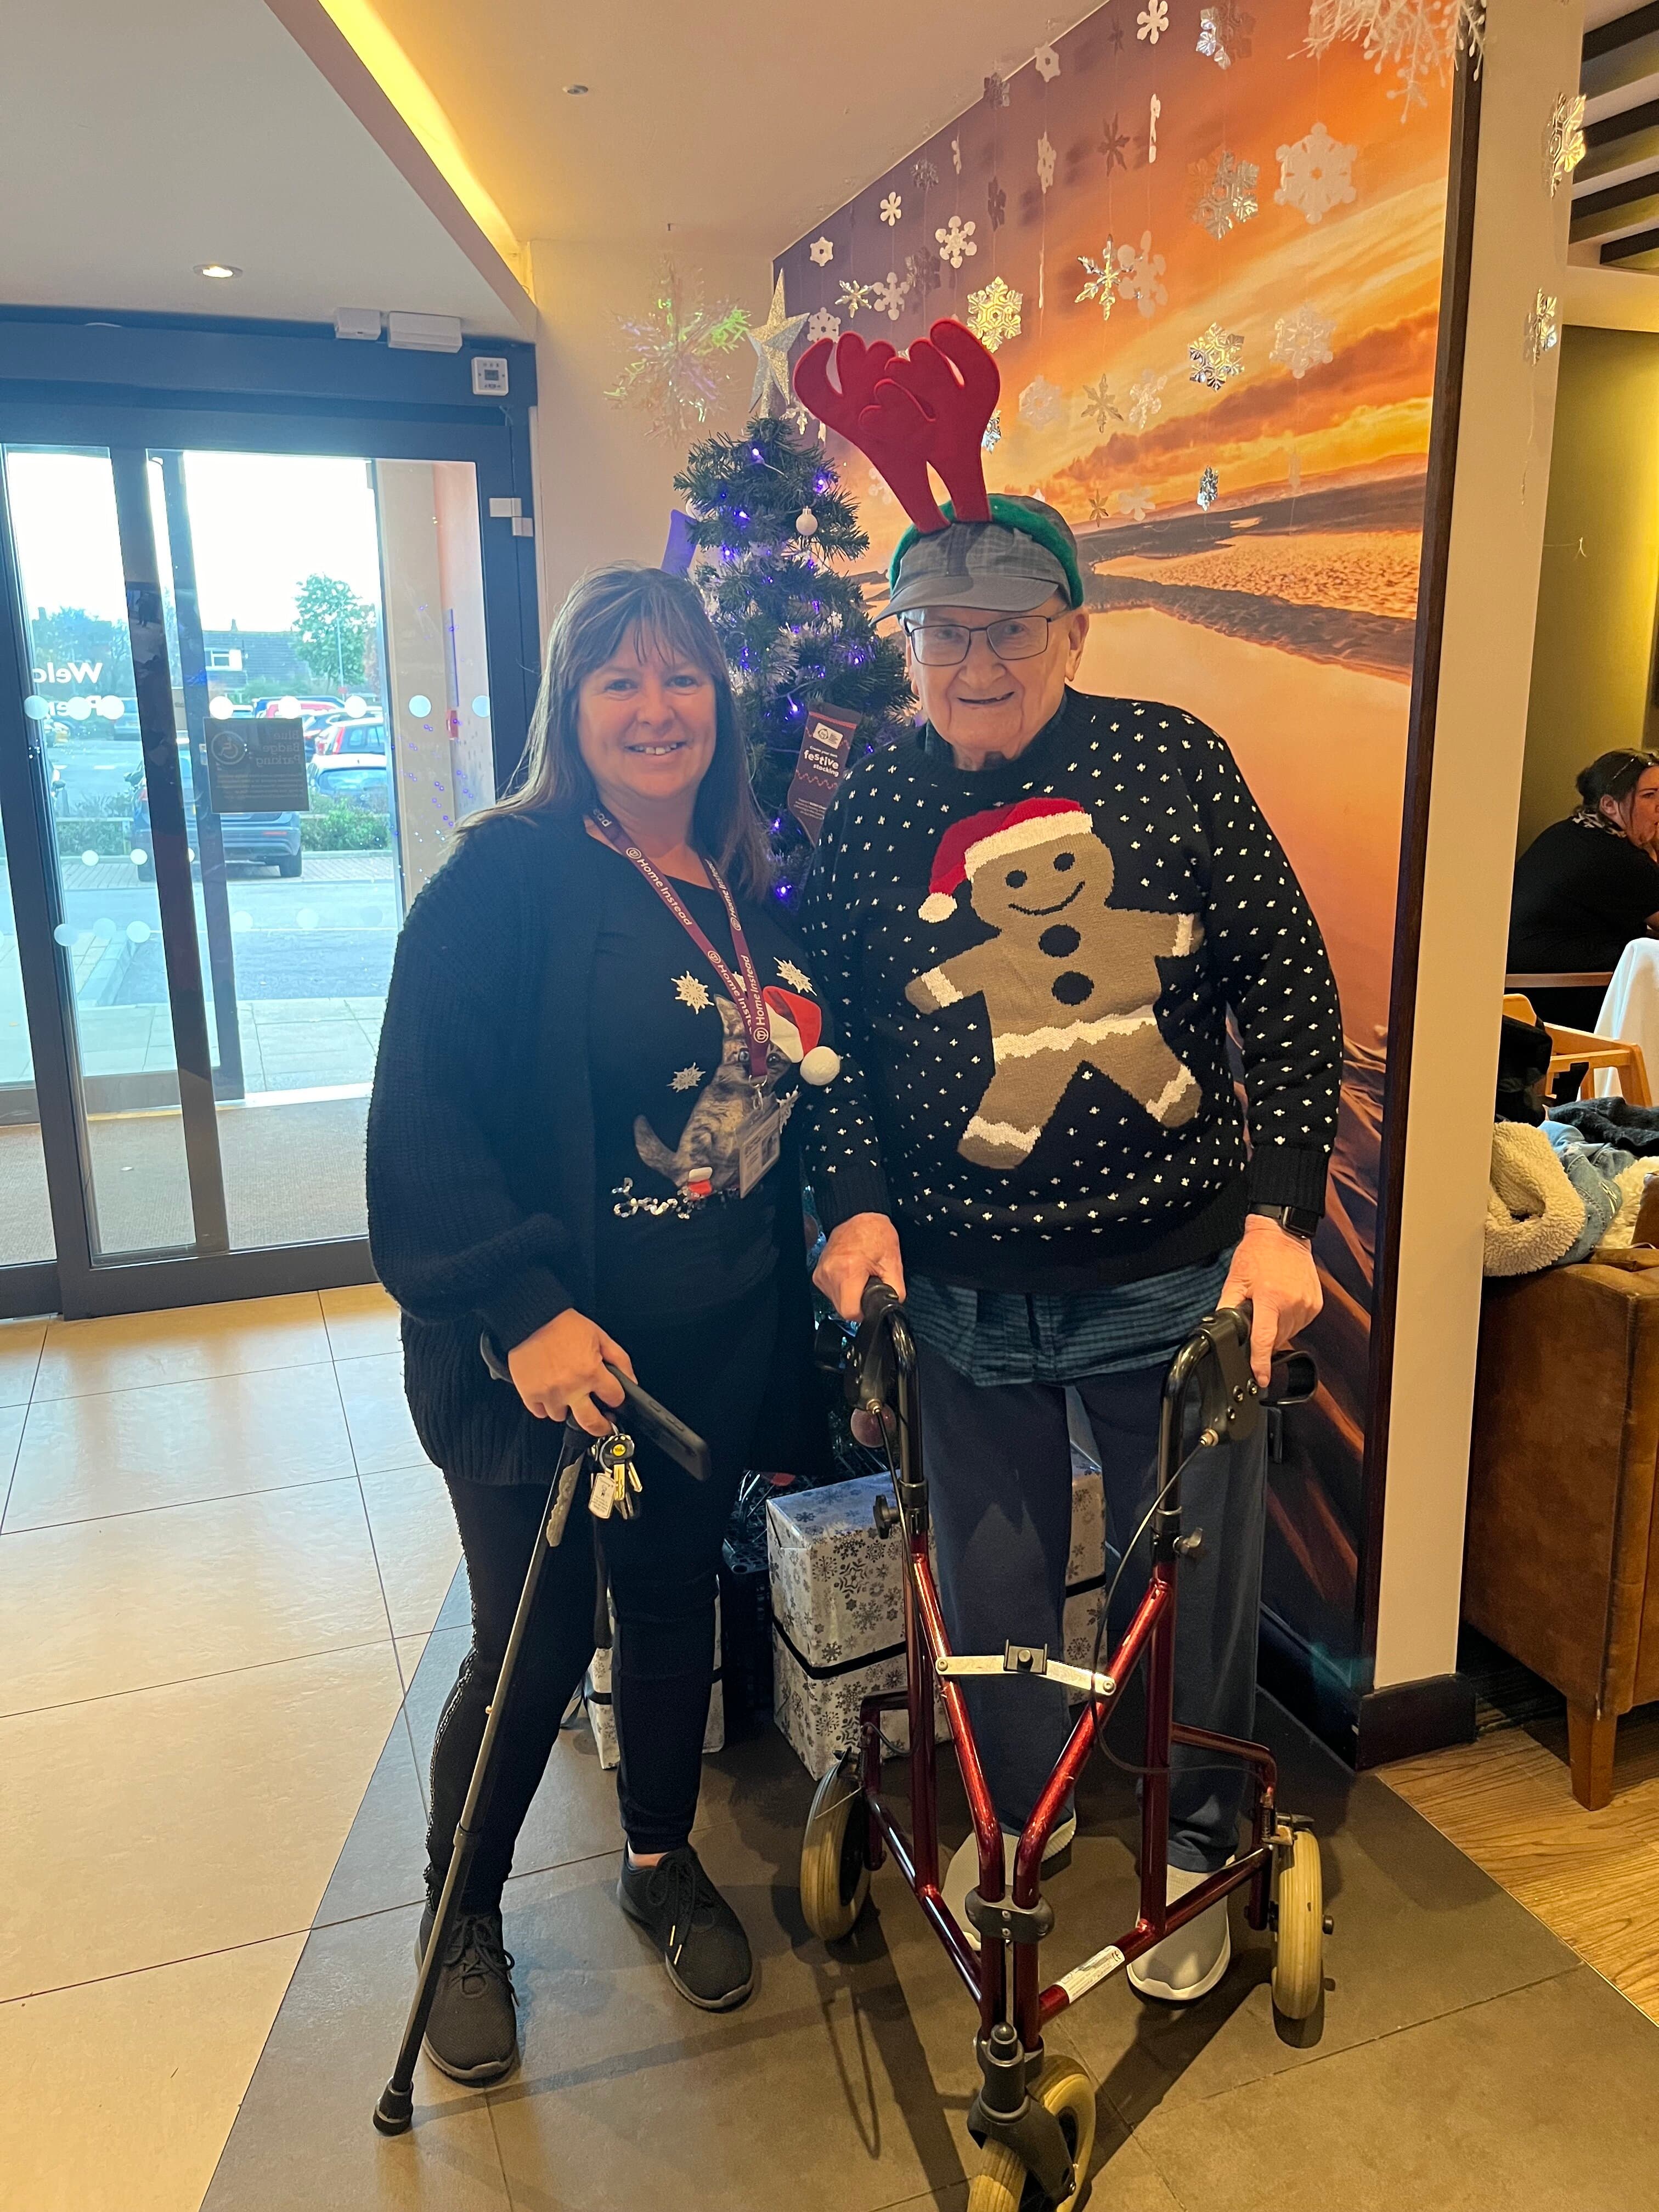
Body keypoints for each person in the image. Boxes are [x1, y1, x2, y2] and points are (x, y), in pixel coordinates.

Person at [792, 319, 1342, 2005]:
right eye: (942, 629)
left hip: (1170, 1274)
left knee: (1195, 1571)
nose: (974, 659)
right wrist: (857, 1199)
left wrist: (1283, 1216)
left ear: (1071, 626)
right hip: (960, 1294)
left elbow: (1290, 985)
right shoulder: (878, 800)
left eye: (1008, 626)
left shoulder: (1171, 755)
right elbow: (831, 1035)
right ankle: (1017, 1822)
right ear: (908, 640)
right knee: (1001, 1583)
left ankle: (1188, 1835)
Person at [366, 564, 837, 2081]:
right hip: (544, 1358)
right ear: (571, 709)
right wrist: (522, 1309)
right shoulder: (503, 879)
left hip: (707, 1339)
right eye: (620, 681)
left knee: (672, 1596)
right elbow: (421, 1131)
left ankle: (655, 1862)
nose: (655, 708)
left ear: (720, 706)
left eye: (682, 678)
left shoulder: (739, 879)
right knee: (536, 1630)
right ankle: (463, 1911)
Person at [1508, 749, 1659, 1030]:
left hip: (1521, 995)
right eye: (1649, 796)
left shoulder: (1567, 832)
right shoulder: (1615, 857)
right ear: (1609, 806)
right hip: (1561, 1000)